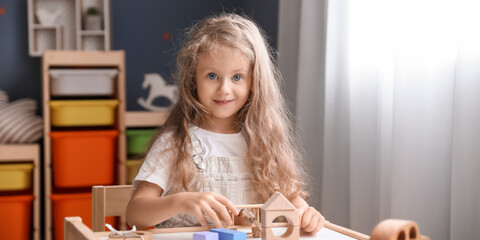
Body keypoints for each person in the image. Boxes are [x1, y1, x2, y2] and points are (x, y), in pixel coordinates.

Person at [126, 13, 325, 234]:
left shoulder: (264, 143)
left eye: (237, 77)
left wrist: (308, 215)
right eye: (212, 76)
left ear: (254, 82)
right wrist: (181, 201)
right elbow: (135, 214)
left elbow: (294, 205)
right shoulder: (175, 142)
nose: (224, 89)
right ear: (194, 78)